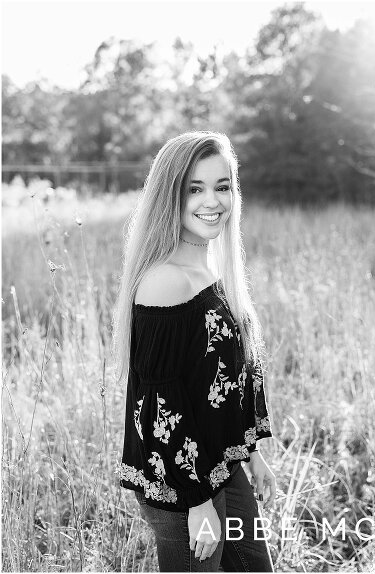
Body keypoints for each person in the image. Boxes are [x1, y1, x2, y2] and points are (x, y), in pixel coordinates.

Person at [111, 131, 276, 571]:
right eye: (195, 189)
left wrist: (251, 452)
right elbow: (160, 406)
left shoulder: (209, 267)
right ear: (171, 195)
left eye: (222, 186)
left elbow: (228, 376)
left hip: (223, 466)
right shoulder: (165, 281)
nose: (213, 201)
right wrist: (198, 503)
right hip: (183, 486)